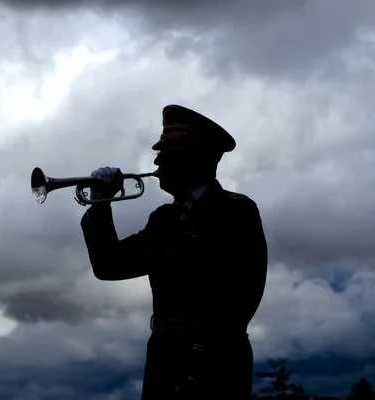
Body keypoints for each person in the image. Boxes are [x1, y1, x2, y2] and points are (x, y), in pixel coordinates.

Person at [80, 105, 268, 399]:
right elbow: (109, 265)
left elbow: (244, 295)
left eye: (167, 151)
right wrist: (100, 205)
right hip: (164, 361)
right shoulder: (163, 219)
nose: (157, 160)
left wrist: (198, 346)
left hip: (215, 367)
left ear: (194, 157)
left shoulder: (236, 210)